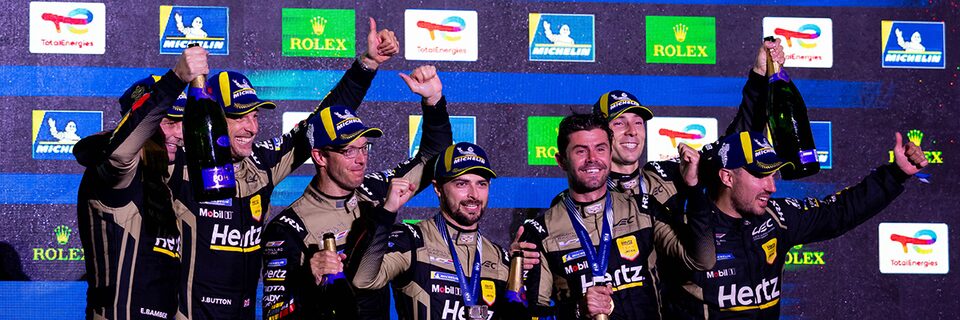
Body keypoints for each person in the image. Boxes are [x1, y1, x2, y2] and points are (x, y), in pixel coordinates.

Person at [168, 18, 398, 319]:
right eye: (239, 117)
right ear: (210, 115)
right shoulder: (179, 168)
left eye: (255, 116)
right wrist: (176, 78)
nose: (251, 128)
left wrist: (367, 64)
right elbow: (124, 149)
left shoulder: (261, 165)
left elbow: (320, 122)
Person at [660, 131, 928, 319]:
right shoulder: (684, 226)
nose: (772, 186)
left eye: (773, 174)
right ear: (727, 177)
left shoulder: (776, 217)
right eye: (760, 175)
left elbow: (839, 212)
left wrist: (895, 174)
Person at [260, 65, 452, 319]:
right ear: (319, 156)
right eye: (348, 151)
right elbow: (274, 314)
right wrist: (307, 279)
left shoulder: (376, 191)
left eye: (364, 148)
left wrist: (433, 101)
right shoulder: (288, 228)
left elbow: (434, 158)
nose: (361, 159)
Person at [519, 114, 715, 319]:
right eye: (580, 151)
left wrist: (694, 190)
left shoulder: (643, 209)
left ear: (610, 153)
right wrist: (578, 310)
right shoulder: (540, 231)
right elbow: (531, 314)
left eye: (600, 149)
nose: (592, 158)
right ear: (561, 161)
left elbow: (702, 260)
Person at [74, 46, 207, 320]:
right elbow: (123, 148)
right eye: (169, 121)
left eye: (182, 123)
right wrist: (177, 77)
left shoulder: (166, 179)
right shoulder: (113, 171)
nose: (179, 133)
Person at [595, 39, 786, 211]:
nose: (632, 131)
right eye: (619, 123)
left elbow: (737, 145)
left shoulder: (670, 173)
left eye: (638, 122)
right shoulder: (587, 194)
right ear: (599, 133)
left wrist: (760, 76)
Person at [352, 142, 532, 320]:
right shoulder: (412, 240)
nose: (474, 195)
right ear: (438, 188)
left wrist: (521, 267)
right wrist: (387, 213)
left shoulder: (500, 258)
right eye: (462, 184)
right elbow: (363, 280)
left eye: (481, 184)